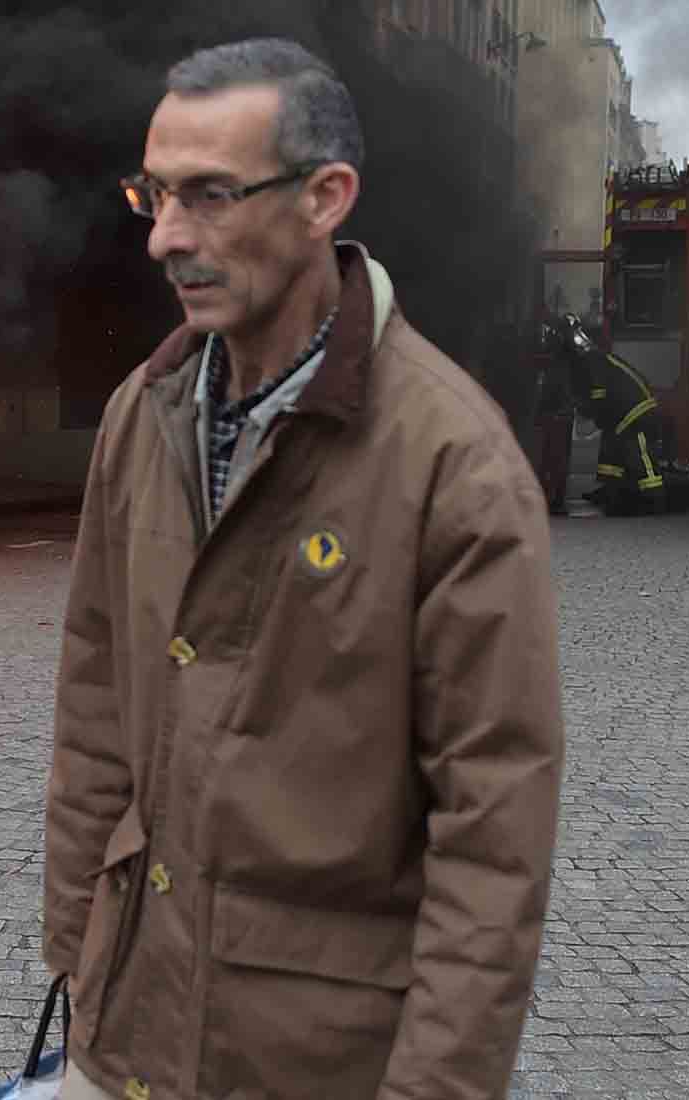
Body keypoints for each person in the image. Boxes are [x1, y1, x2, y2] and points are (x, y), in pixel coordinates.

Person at [42, 39, 564, 1100]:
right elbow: (94, 698)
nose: (164, 237)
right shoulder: (141, 417)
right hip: (123, 1030)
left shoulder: (453, 463)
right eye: (153, 193)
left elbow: (490, 834)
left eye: (210, 195)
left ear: (325, 198)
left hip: (315, 1059)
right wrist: (75, 957)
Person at [542, 312, 671, 515]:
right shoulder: (590, 357)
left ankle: (654, 496)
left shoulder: (589, 359)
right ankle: (610, 491)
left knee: (638, 453)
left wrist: (592, 409)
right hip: (621, 412)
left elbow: (598, 392)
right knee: (610, 451)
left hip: (636, 412)